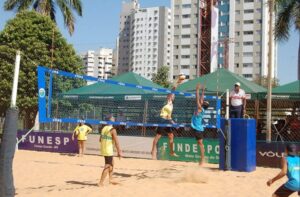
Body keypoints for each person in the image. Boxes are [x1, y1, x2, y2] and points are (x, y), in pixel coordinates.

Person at [151, 78, 182, 160]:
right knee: (158, 136)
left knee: (171, 136)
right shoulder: (168, 101)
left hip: (167, 120)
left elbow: (169, 117)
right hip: (162, 119)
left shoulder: (171, 106)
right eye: (172, 96)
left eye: (173, 96)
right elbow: (173, 91)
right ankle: (152, 151)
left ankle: (171, 151)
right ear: (169, 97)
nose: (173, 96)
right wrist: (177, 83)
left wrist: (174, 123)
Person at [98, 114, 122, 187]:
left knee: (112, 163)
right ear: (110, 120)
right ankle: (101, 182)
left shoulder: (104, 128)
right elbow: (117, 142)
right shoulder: (113, 130)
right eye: (113, 117)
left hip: (104, 149)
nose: (114, 118)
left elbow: (100, 140)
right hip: (108, 150)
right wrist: (119, 152)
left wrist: (107, 142)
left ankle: (111, 179)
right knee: (108, 165)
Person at [191, 83, 209, 166]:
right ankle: (202, 159)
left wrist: (197, 90)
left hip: (198, 129)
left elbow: (197, 99)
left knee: (200, 144)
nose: (203, 100)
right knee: (200, 144)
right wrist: (203, 90)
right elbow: (201, 99)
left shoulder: (200, 109)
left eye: (203, 102)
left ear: (203, 105)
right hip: (198, 128)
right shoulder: (202, 109)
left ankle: (202, 159)